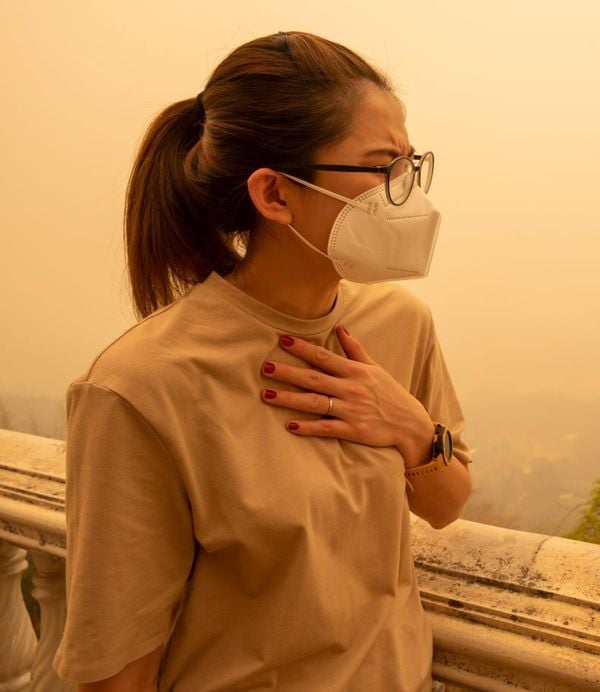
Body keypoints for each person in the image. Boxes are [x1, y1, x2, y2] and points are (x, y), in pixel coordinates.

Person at [52, 30, 472, 691]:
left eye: (409, 165)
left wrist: (411, 427)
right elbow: (117, 665)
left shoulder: (399, 324)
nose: (405, 193)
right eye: (381, 168)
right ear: (275, 194)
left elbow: (447, 505)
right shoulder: (142, 386)